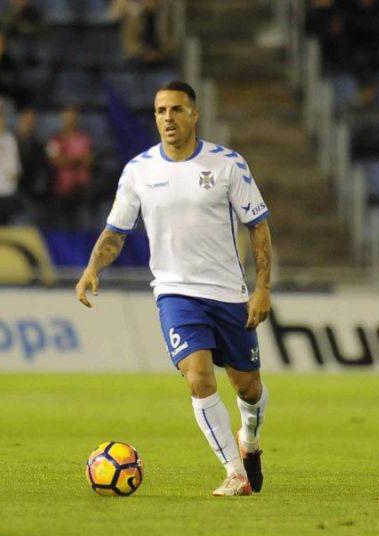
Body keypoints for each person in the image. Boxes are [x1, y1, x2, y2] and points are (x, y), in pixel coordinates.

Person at [75, 81, 271, 496]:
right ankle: (235, 472)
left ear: (194, 115)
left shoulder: (227, 164)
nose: (168, 118)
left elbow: (258, 226)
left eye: (177, 110)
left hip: (229, 293)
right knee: (199, 378)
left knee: (248, 388)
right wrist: (93, 266)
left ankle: (249, 440)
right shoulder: (139, 170)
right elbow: (116, 230)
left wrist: (262, 288)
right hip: (175, 292)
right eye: (161, 111)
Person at [46, 106, 94, 229]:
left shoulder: (84, 138)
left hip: (82, 188)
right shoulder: (55, 139)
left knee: (82, 225)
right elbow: (55, 161)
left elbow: (89, 159)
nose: (70, 121)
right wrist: (78, 160)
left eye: (72, 118)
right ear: (62, 119)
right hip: (61, 189)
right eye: (67, 118)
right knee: (62, 225)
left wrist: (67, 159)